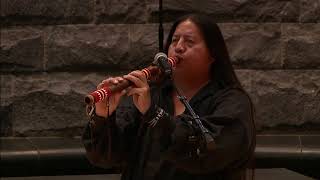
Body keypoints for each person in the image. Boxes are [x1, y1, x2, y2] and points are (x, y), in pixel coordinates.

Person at [82, 13, 256, 180]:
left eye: (189, 42)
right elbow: (105, 158)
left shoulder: (233, 102)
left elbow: (210, 153)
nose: (178, 47)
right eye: (174, 40)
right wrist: (103, 116)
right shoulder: (152, 94)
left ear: (212, 55)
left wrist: (153, 114)